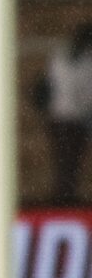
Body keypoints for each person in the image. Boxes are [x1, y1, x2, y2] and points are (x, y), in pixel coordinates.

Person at [40, 22, 92, 204]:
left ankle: (65, 197)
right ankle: (64, 199)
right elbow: (83, 94)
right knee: (67, 161)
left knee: (67, 161)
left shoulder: (61, 55)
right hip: (69, 120)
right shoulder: (80, 60)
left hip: (62, 118)